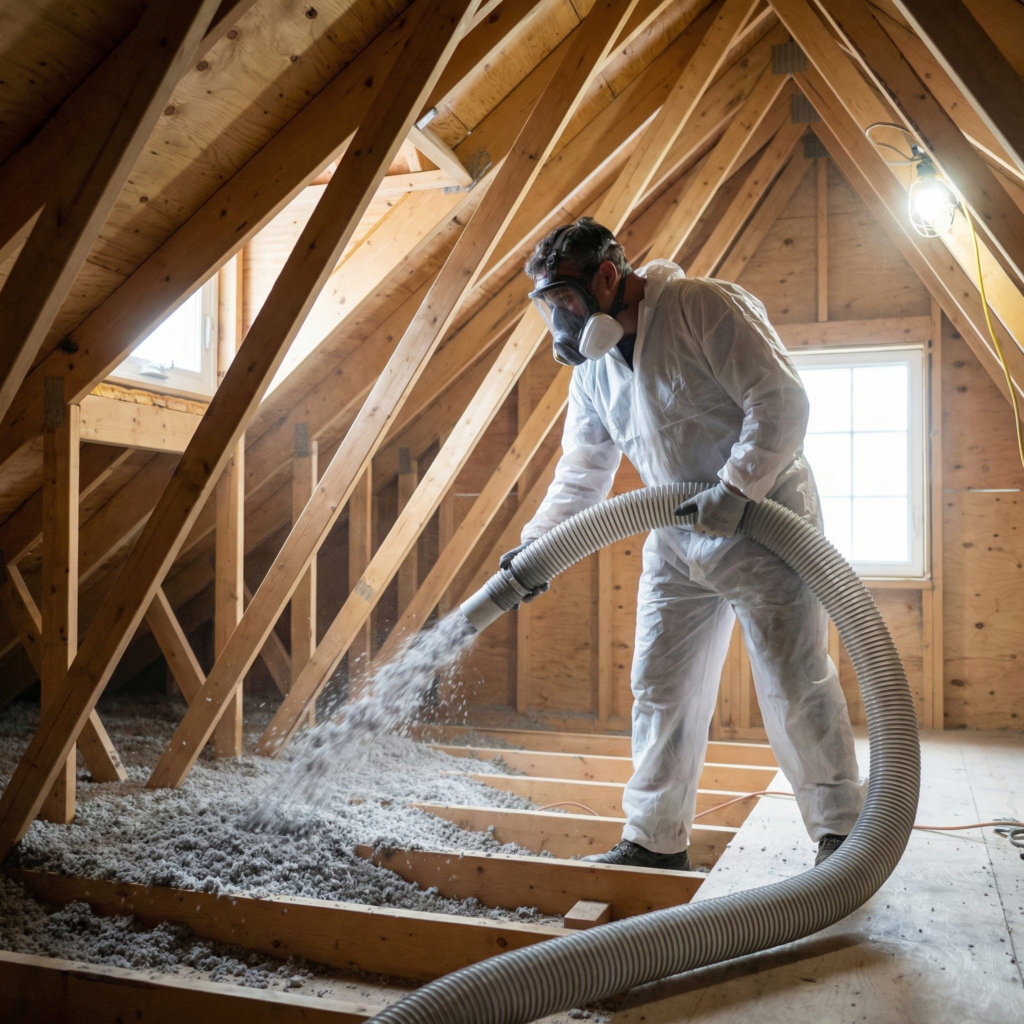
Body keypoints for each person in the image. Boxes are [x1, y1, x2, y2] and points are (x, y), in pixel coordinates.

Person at [501, 218, 864, 871]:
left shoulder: (704, 306)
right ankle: (654, 838)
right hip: (676, 531)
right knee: (660, 682)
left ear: (606, 278)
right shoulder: (593, 373)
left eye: (566, 303)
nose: (560, 323)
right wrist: (537, 548)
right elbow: (584, 472)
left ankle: (841, 832)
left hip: (765, 518)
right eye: (549, 308)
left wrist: (736, 488)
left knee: (792, 678)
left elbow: (780, 401)